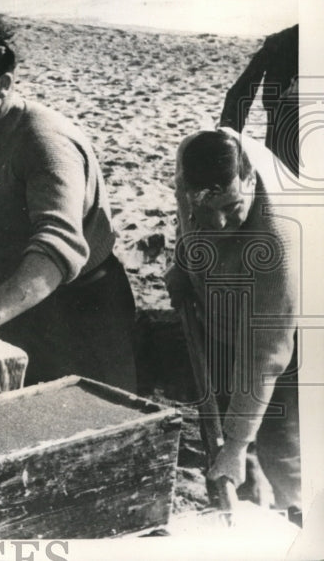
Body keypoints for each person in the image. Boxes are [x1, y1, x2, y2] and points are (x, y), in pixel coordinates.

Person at [0, 8, 137, 392]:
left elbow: (59, 247)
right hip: (20, 299)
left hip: (83, 309)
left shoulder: (43, 142)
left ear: (3, 83)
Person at [165, 128, 300, 522]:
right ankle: (249, 499)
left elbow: (265, 353)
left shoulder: (281, 239)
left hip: (289, 334)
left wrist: (237, 442)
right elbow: (185, 219)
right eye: (207, 211)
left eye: (231, 208)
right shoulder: (193, 153)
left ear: (250, 180)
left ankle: (297, 521)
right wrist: (185, 266)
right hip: (224, 311)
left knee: (282, 442)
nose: (220, 224)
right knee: (234, 431)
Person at [219, 24, 298, 176]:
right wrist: (227, 139)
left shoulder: (280, 42)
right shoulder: (280, 43)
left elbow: (240, 93)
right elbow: (241, 92)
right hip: (281, 147)